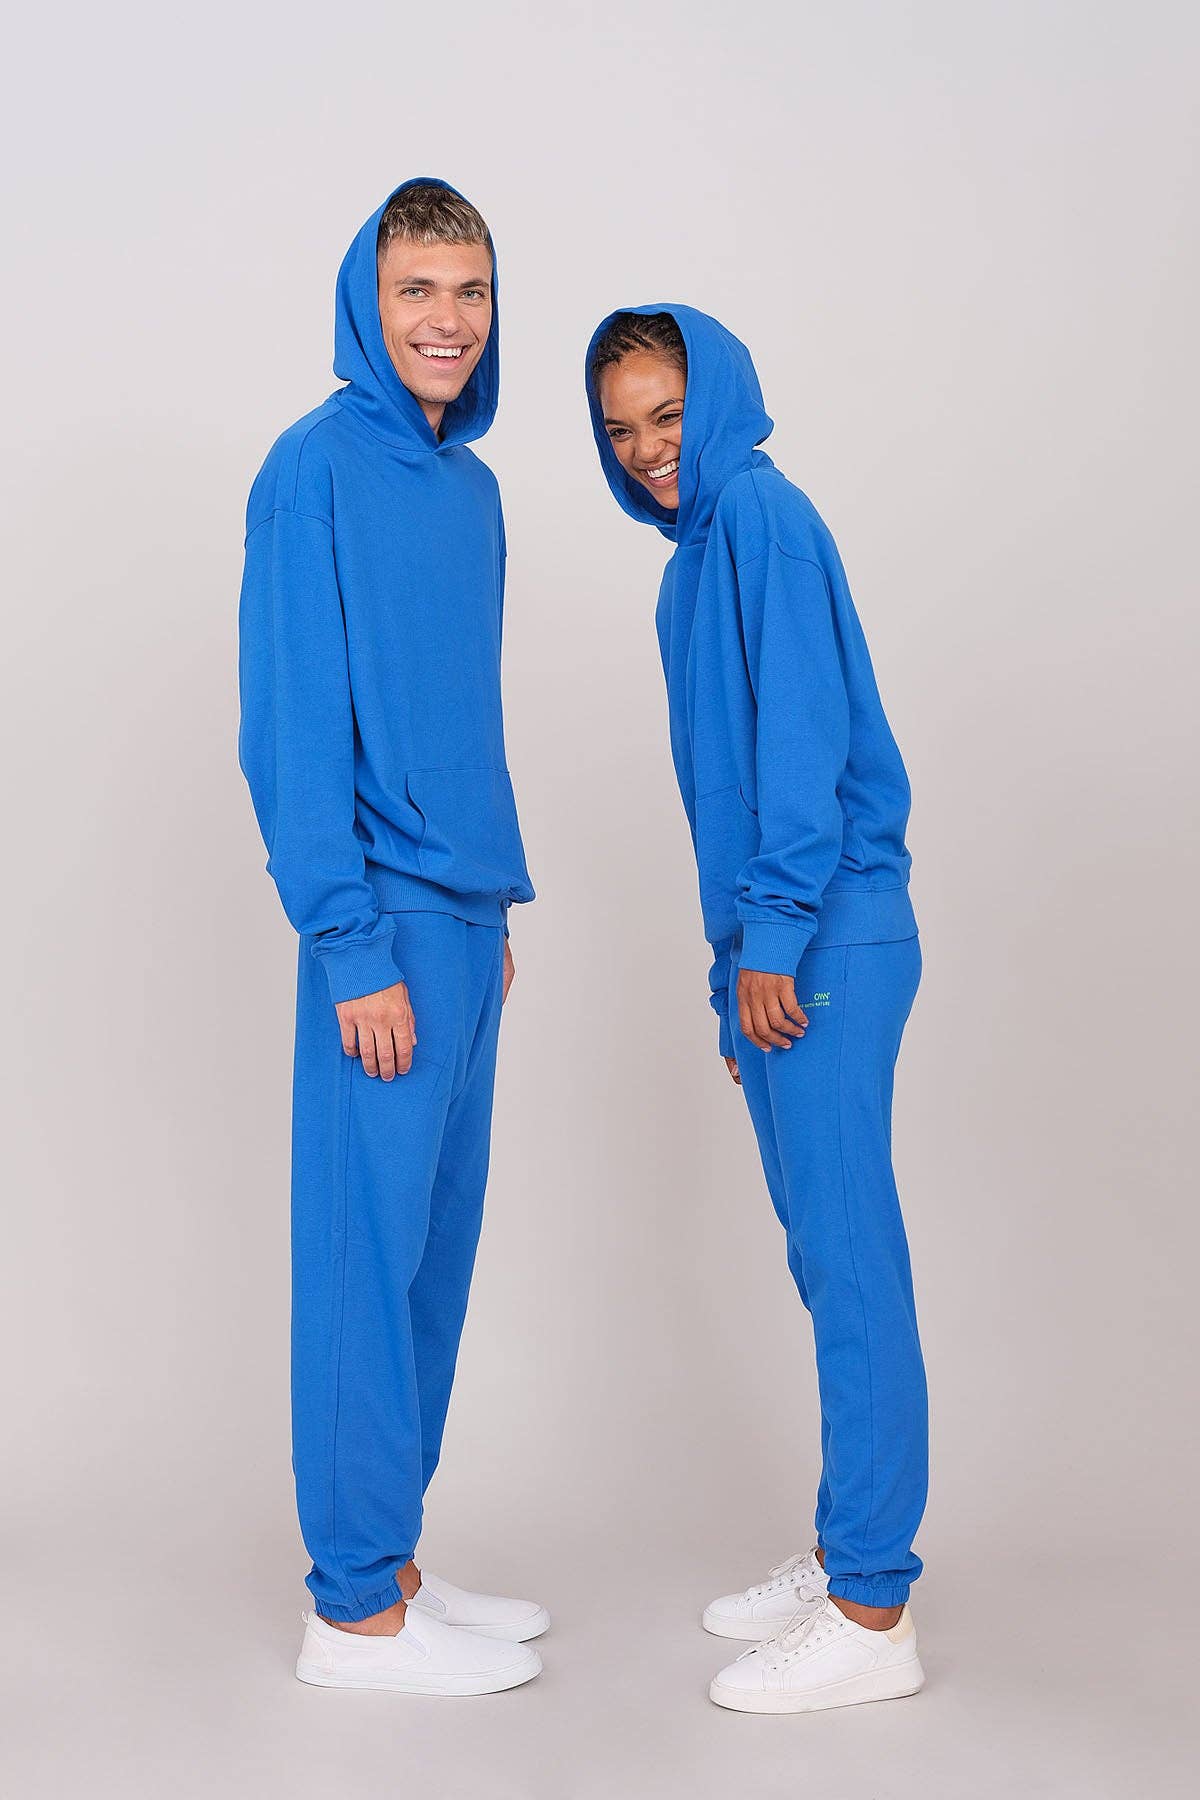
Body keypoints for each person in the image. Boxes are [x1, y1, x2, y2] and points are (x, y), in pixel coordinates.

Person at [586, 307, 928, 1715]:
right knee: (821, 1256)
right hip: (784, 945)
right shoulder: (697, 561)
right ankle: (848, 1544)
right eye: (623, 430)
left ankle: (874, 1607)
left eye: (668, 415)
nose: (649, 450)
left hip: (833, 931)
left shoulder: (766, 523)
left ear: (719, 398)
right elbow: (719, 793)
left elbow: (801, 748)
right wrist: (735, 964)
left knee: (851, 1262)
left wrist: (775, 940)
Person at [238, 178, 546, 1696]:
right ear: (369, 302)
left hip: (466, 921)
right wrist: (350, 941)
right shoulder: (311, 472)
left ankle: (397, 1554)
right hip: (379, 922)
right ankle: (351, 1609)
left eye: (470, 290)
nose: (446, 318)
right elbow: (292, 724)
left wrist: (489, 905)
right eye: (418, 288)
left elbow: (457, 710)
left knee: (432, 1260)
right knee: (363, 1261)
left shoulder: (471, 491)